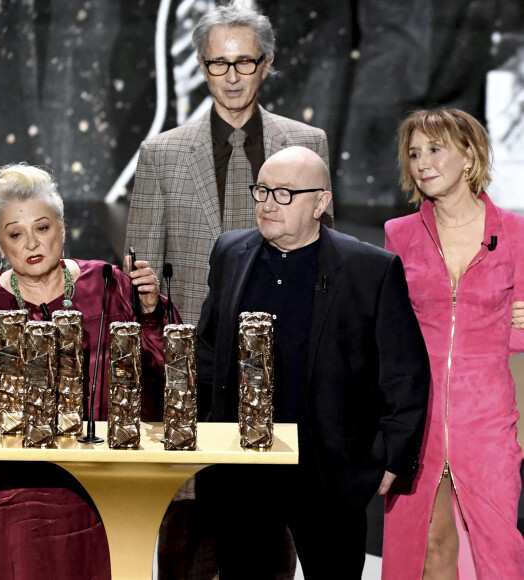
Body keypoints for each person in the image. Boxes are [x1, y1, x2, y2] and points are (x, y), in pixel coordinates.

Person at [195, 146, 430, 579]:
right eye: (262, 190)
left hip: (329, 470)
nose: (267, 203)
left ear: (320, 202)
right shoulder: (230, 252)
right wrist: (207, 427)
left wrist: (391, 457)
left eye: (284, 194)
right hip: (242, 468)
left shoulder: (370, 269)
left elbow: (404, 372)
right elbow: (208, 349)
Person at [0, 164, 179, 579]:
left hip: (105, 488)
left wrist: (151, 309)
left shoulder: (110, 284)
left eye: (42, 228)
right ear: (1, 243)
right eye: (16, 234)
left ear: (63, 228)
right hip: (17, 495)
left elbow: (168, 368)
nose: (32, 243)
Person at [125, 1, 332, 326]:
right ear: (202, 66)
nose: (232, 77)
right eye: (219, 63)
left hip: (288, 338)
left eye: (245, 62)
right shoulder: (160, 154)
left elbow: (327, 258)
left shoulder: (307, 143)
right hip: (193, 348)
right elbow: (139, 274)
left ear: (266, 64)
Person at [382, 108, 524, 579]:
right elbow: (388, 330)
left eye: (435, 149)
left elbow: (519, 335)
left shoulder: (516, 234)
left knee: (500, 551)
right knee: (426, 547)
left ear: (468, 156)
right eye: (414, 153)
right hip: (416, 417)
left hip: (486, 420)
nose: (422, 162)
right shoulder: (398, 235)